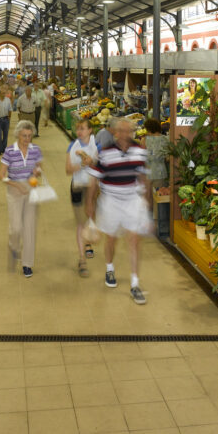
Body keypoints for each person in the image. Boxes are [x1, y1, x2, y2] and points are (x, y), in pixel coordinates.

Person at [88, 118, 152, 305]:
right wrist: (89, 203)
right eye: (122, 131)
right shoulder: (105, 152)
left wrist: (146, 204)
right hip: (111, 200)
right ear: (115, 133)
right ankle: (109, 268)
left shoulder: (140, 151)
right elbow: (94, 179)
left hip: (132, 199)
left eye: (129, 131)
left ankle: (135, 284)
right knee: (111, 238)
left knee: (133, 240)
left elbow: (144, 177)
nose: (126, 135)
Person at [0, 120, 43, 278]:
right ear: (18, 134)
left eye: (30, 136)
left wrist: (36, 173)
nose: (27, 139)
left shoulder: (35, 149)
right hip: (14, 190)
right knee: (16, 228)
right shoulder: (10, 151)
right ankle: (14, 246)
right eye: (24, 135)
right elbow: (1, 176)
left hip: (30, 190)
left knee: (29, 228)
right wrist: (16, 185)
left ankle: (27, 264)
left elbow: (39, 167)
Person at [65, 118, 99, 277]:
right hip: (78, 187)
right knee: (80, 223)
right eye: (78, 128)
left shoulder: (96, 146)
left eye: (83, 128)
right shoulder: (72, 146)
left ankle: (88, 243)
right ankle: (82, 259)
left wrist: (92, 162)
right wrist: (82, 165)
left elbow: (100, 166)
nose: (79, 131)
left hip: (92, 188)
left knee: (90, 217)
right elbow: (68, 169)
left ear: (90, 130)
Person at [142, 118, 170, 200]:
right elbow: (168, 158)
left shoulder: (144, 140)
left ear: (149, 129)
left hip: (147, 172)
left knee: (148, 198)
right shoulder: (166, 139)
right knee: (160, 198)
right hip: (161, 173)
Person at [0, 88, 14, 156]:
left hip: (6, 119)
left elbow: (10, 109)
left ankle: (3, 149)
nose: (4, 94)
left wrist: (9, 117)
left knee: (5, 135)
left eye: (5, 93)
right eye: (3, 93)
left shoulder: (8, 100)